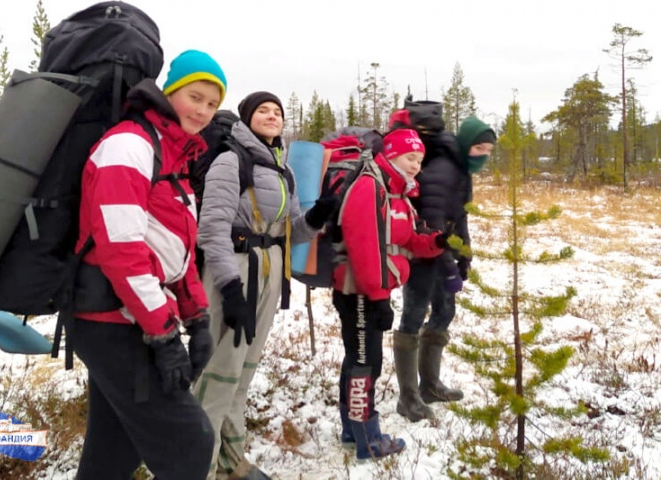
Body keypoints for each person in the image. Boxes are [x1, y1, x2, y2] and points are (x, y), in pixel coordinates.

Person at [71, 49, 227, 480]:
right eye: (194, 96)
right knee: (190, 445)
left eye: (212, 104)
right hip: (111, 319)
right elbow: (121, 250)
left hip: (128, 316)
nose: (203, 111)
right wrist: (162, 334)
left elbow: (177, 253)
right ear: (169, 92)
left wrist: (196, 318)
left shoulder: (174, 158)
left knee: (113, 449)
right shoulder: (129, 145)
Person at [193, 91, 336, 480]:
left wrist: (319, 214)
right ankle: (197, 467)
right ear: (247, 117)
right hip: (235, 275)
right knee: (217, 374)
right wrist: (228, 288)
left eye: (278, 112)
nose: (273, 116)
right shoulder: (230, 160)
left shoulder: (282, 171)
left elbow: (291, 233)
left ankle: (230, 460)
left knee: (241, 374)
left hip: (269, 276)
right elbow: (212, 230)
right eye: (263, 110)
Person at [332, 128, 448, 460]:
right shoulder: (370, 187)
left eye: (420, 160)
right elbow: (365, 248)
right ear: (393, 154)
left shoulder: (396, 192)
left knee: (360, 359)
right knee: (366, 363)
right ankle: (367, 439)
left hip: (372, 289)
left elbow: (404, 241)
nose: (416, 165)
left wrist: (434, 243)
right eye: (411, 157)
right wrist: (378, 297)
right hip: (359, 290)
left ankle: (351, 429)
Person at [389, 101, 496, 422]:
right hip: (423, 254)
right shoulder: (443, 172)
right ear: (465, 144)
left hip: (442, 254)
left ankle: (430, 385)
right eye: (479, 147)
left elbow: (457, 218)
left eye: (488, 149)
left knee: (445, 312)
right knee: (413, 316)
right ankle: (408, 397)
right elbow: (434, 226)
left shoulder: (460, 168)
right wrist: (451, 267)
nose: (483, 154)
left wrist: (464, 255)